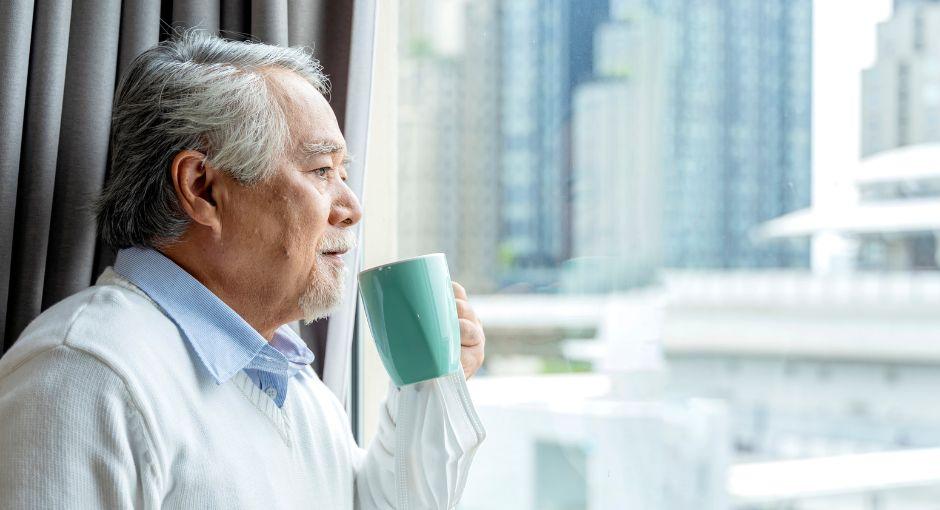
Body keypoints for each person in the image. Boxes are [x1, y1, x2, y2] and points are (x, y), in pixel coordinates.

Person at [0, 31, 486, 509]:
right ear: (203, 187)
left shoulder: (288, 378)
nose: (352, 207)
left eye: (344, 172)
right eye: (321, 171)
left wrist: (433, 385)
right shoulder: (84, 377)